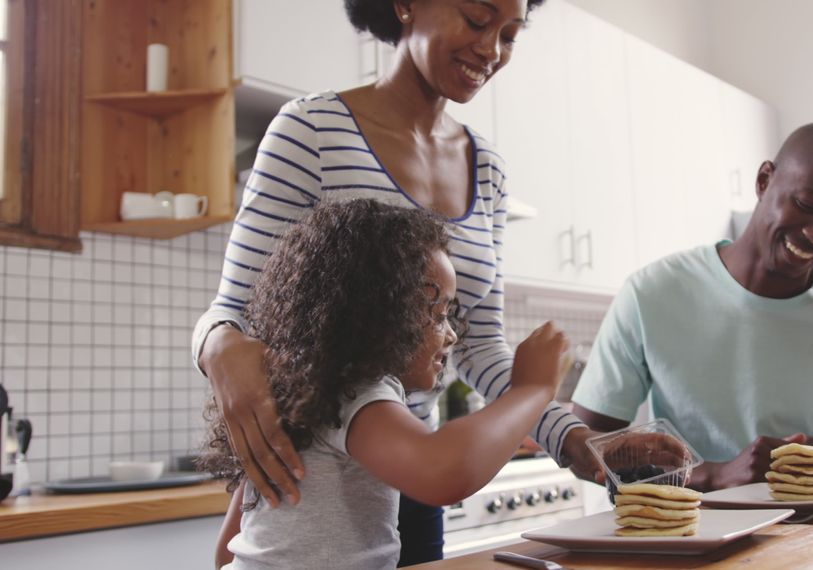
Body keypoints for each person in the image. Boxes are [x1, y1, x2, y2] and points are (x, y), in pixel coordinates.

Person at [191, 1, 602, 564]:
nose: (491, 50)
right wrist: (218, 349)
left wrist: (574, 438)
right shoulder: (311, 130)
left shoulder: (488, 168)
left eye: (510, 34)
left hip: (407, 465)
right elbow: (232, 313)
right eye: (478, 19)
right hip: (321, 460)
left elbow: (480, 347)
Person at [202, 200, 569, 569]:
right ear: (380, 314)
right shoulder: (356, 391)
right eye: (438, 315)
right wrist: (531, 389)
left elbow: (228, 551)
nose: (452, 334)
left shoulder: (296, 396)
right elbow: (442, 470)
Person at [571, 122, 813, 491]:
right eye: (806, 205)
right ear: (764, 180)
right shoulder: (650, 295)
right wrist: (714, 475)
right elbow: (587, 448)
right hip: (689, 535)